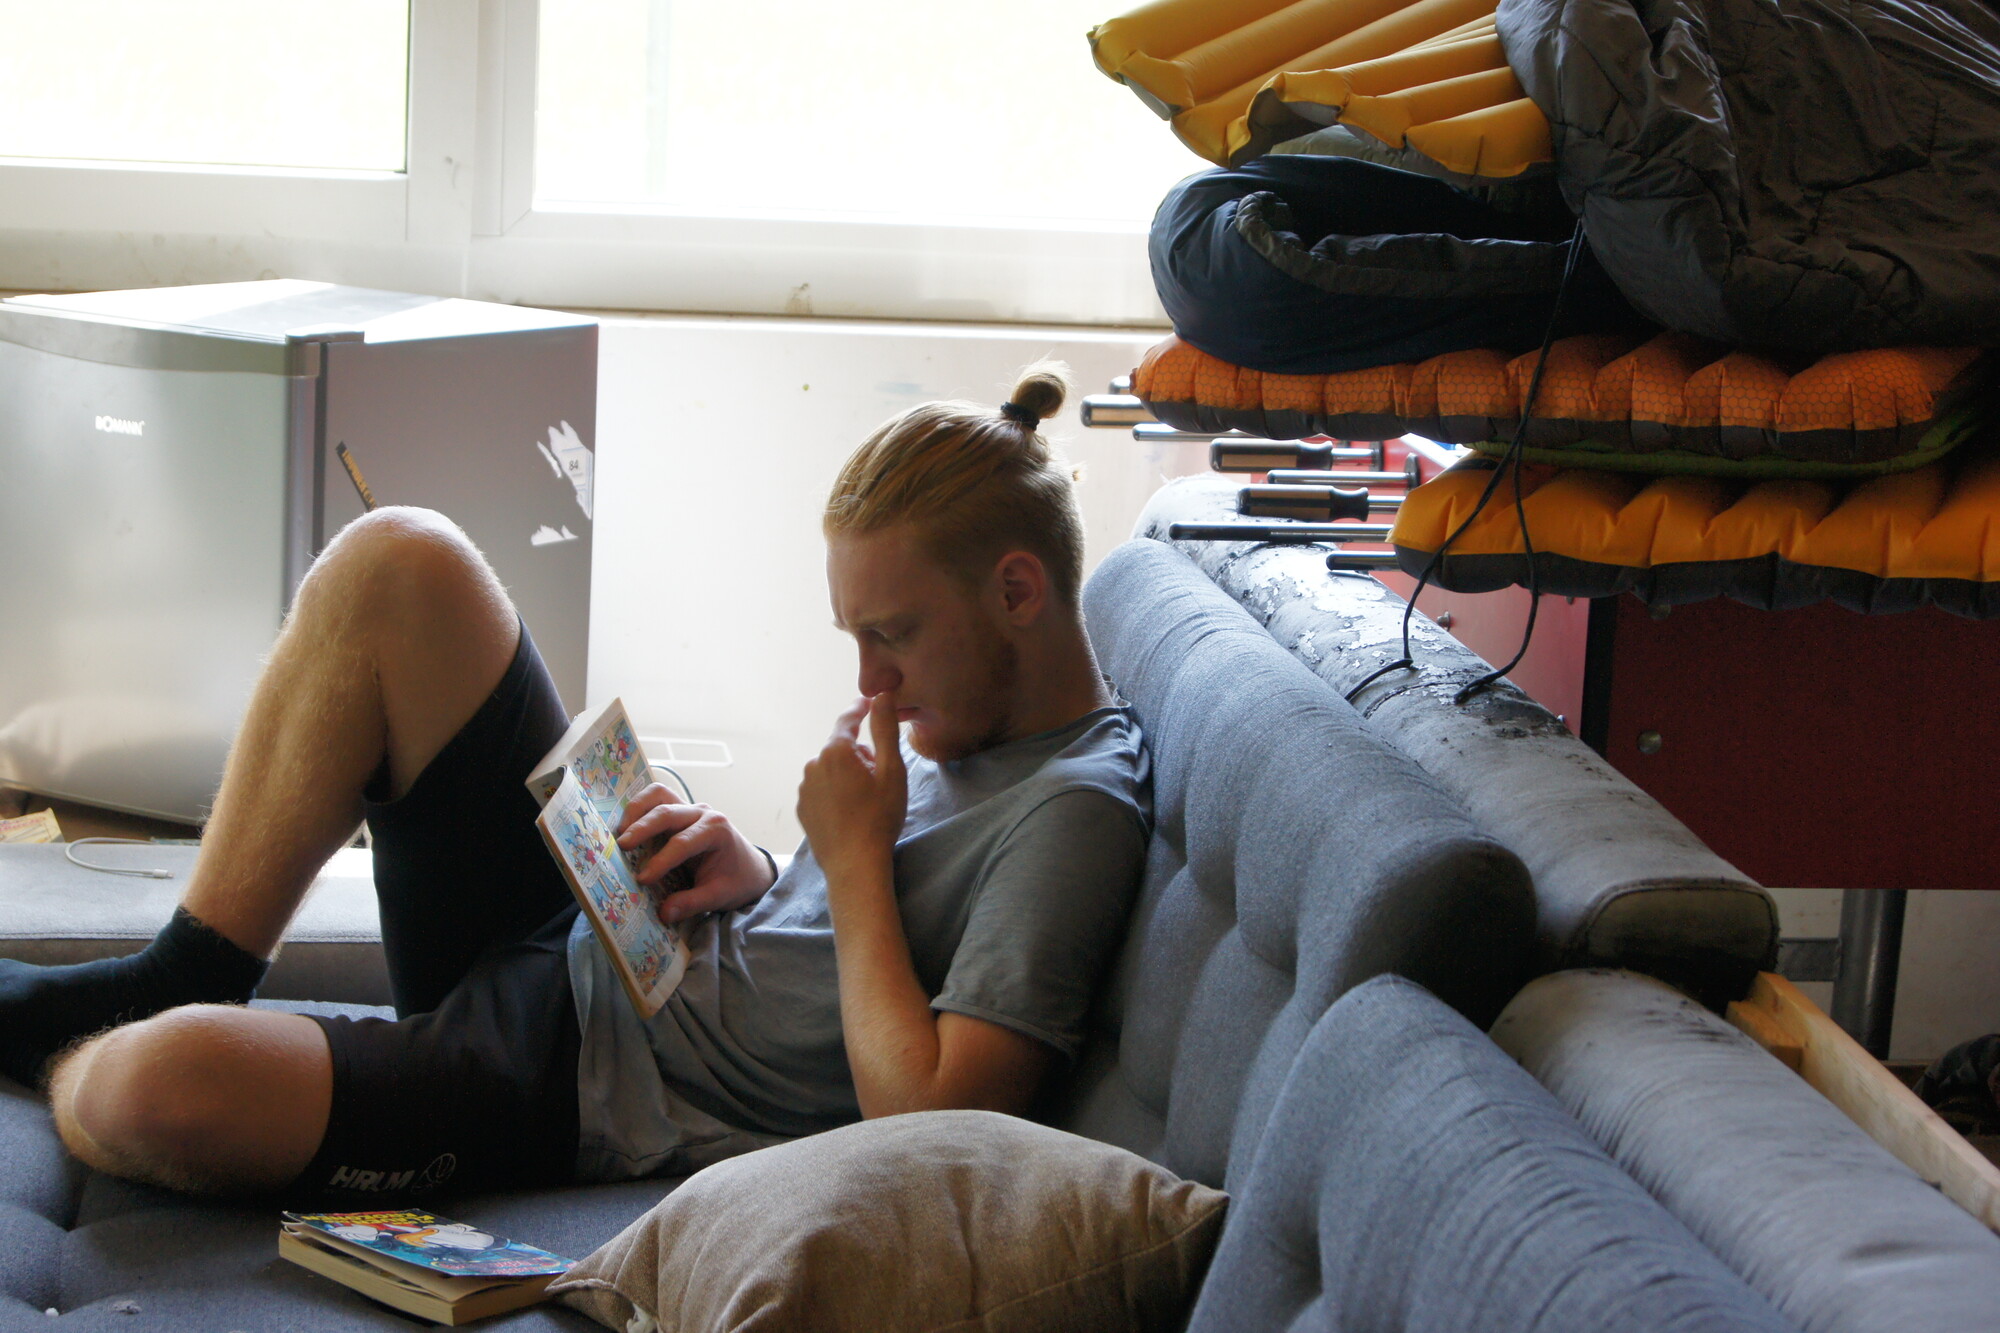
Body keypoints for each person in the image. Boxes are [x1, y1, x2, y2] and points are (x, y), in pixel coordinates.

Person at [0, 363, 1150, 1199]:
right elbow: (884, 922)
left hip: (590, 1077)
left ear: (1016, 591)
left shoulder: (1074, 809)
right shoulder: (969, 720)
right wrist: (759, 870)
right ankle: (185, 967)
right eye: (853, 636)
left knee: (155, 1090)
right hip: (611, 933)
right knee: (401, 560)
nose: (867, 680)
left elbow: (935, 1118)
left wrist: (847, 863)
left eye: (890, 635)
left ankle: (118, 1030)